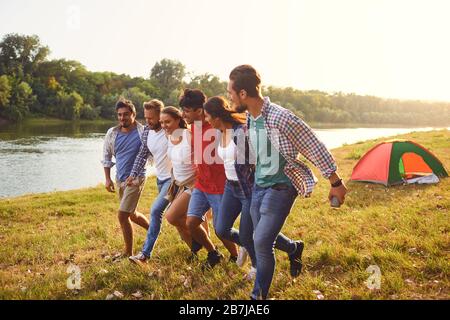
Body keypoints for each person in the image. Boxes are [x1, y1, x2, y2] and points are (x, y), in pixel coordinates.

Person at [227, 65, 348, 299]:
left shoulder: (281, 117)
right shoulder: (252, 118)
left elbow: (313, 144)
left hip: (282, 187)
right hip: (259, 186)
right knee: (256, 237)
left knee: (261, 242)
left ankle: (258, 298)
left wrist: (335, 182)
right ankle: (294, 249)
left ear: (243, 93)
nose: (229, 96)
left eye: (230, 91)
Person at [180, 89, 238, 268]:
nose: (183, 115)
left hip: (220, 186)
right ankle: (213, 253)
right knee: (191, 222)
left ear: (200, 111)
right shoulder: (193, 127)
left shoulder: (215, 127)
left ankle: (236, 255)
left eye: (187, 111)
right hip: (201, 185)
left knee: (222, 230)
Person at [203, 96, 257, 279]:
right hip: (230, 187)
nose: (206, 120)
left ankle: (257, 267)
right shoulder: (219, 132)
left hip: (247, 189)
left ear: (217, 116)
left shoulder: (240, 132)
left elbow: (254, 163)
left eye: (208, 116)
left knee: (249, 234)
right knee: (221, 228)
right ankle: (247, 245)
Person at [125, 99, 172, 264]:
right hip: (161, 179)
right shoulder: (146, 131)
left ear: (160, 116)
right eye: (146, 117)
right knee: (183, 217)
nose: (147, 121)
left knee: (155, 211)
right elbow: (142, 154)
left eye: (151, 118)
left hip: (173, 180)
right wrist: (133, 174)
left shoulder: (170, 130)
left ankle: (144, 255)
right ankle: (203, 245)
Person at [101, 98, 149, 258]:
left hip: (136, 179)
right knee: (132, 214)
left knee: (122, 215)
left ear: (134, 114)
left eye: (126, 114)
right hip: (120, 179)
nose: (122, 118)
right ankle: (154, 230)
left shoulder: (144, 132)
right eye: (120, 115)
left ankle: (127, 252)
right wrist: (107, 179)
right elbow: (106, 156)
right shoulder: (112, 133)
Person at [158, 106, 206, 256]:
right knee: (180, 222)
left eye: (167, 122)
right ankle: (195, 250)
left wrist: (199, 182)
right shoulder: (169, 136)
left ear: (178, 120)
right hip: (178, 185)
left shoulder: (189, 135)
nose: (164, 125)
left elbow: (202, 160)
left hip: (193, 184)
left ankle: (209, 247)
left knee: (172, 217)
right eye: (161, 122)